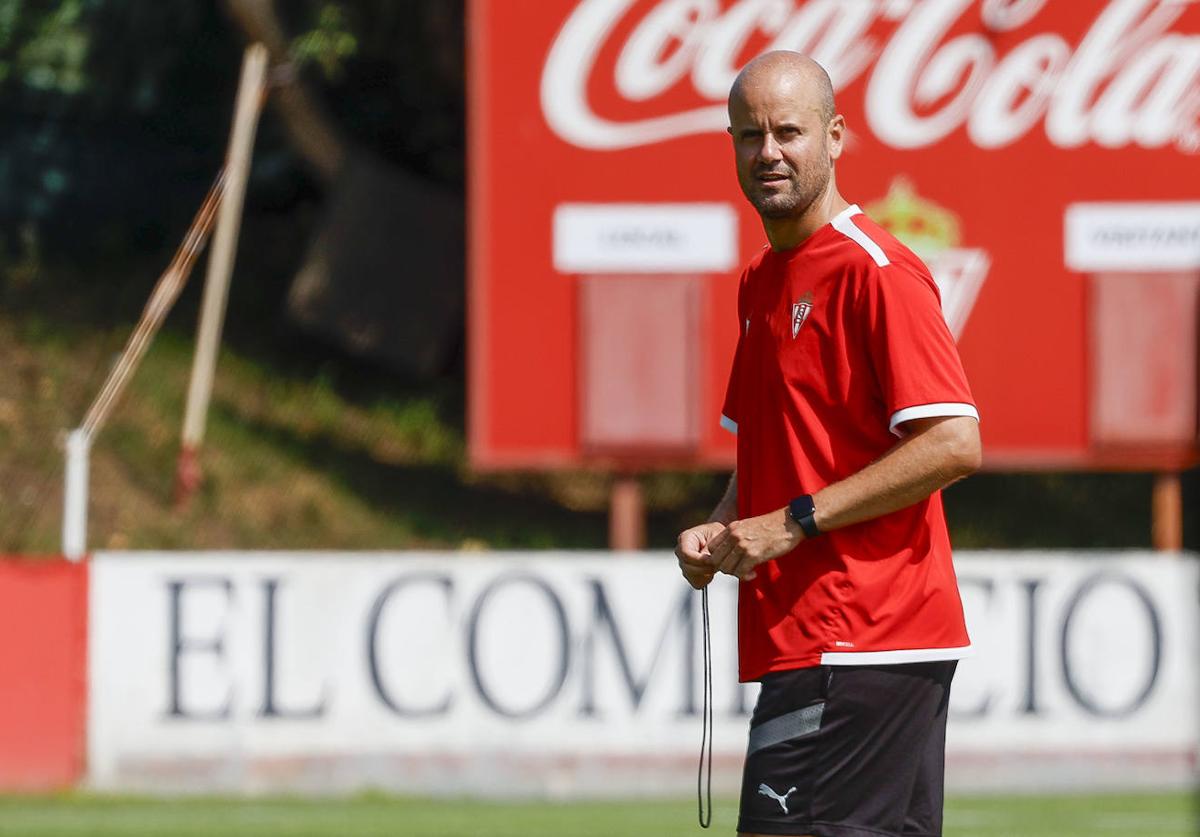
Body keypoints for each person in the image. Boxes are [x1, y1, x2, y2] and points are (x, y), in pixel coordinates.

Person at [675, 51, 982, 837]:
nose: (768, 152)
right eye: (750, 135)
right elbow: (770, 454)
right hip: (831, 645)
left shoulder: (878, 271)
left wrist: (793, 521)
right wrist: (723, 522)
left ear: (835, 137)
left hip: (857, 639)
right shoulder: (762, 281)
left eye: (788, 131)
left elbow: (952, 441)